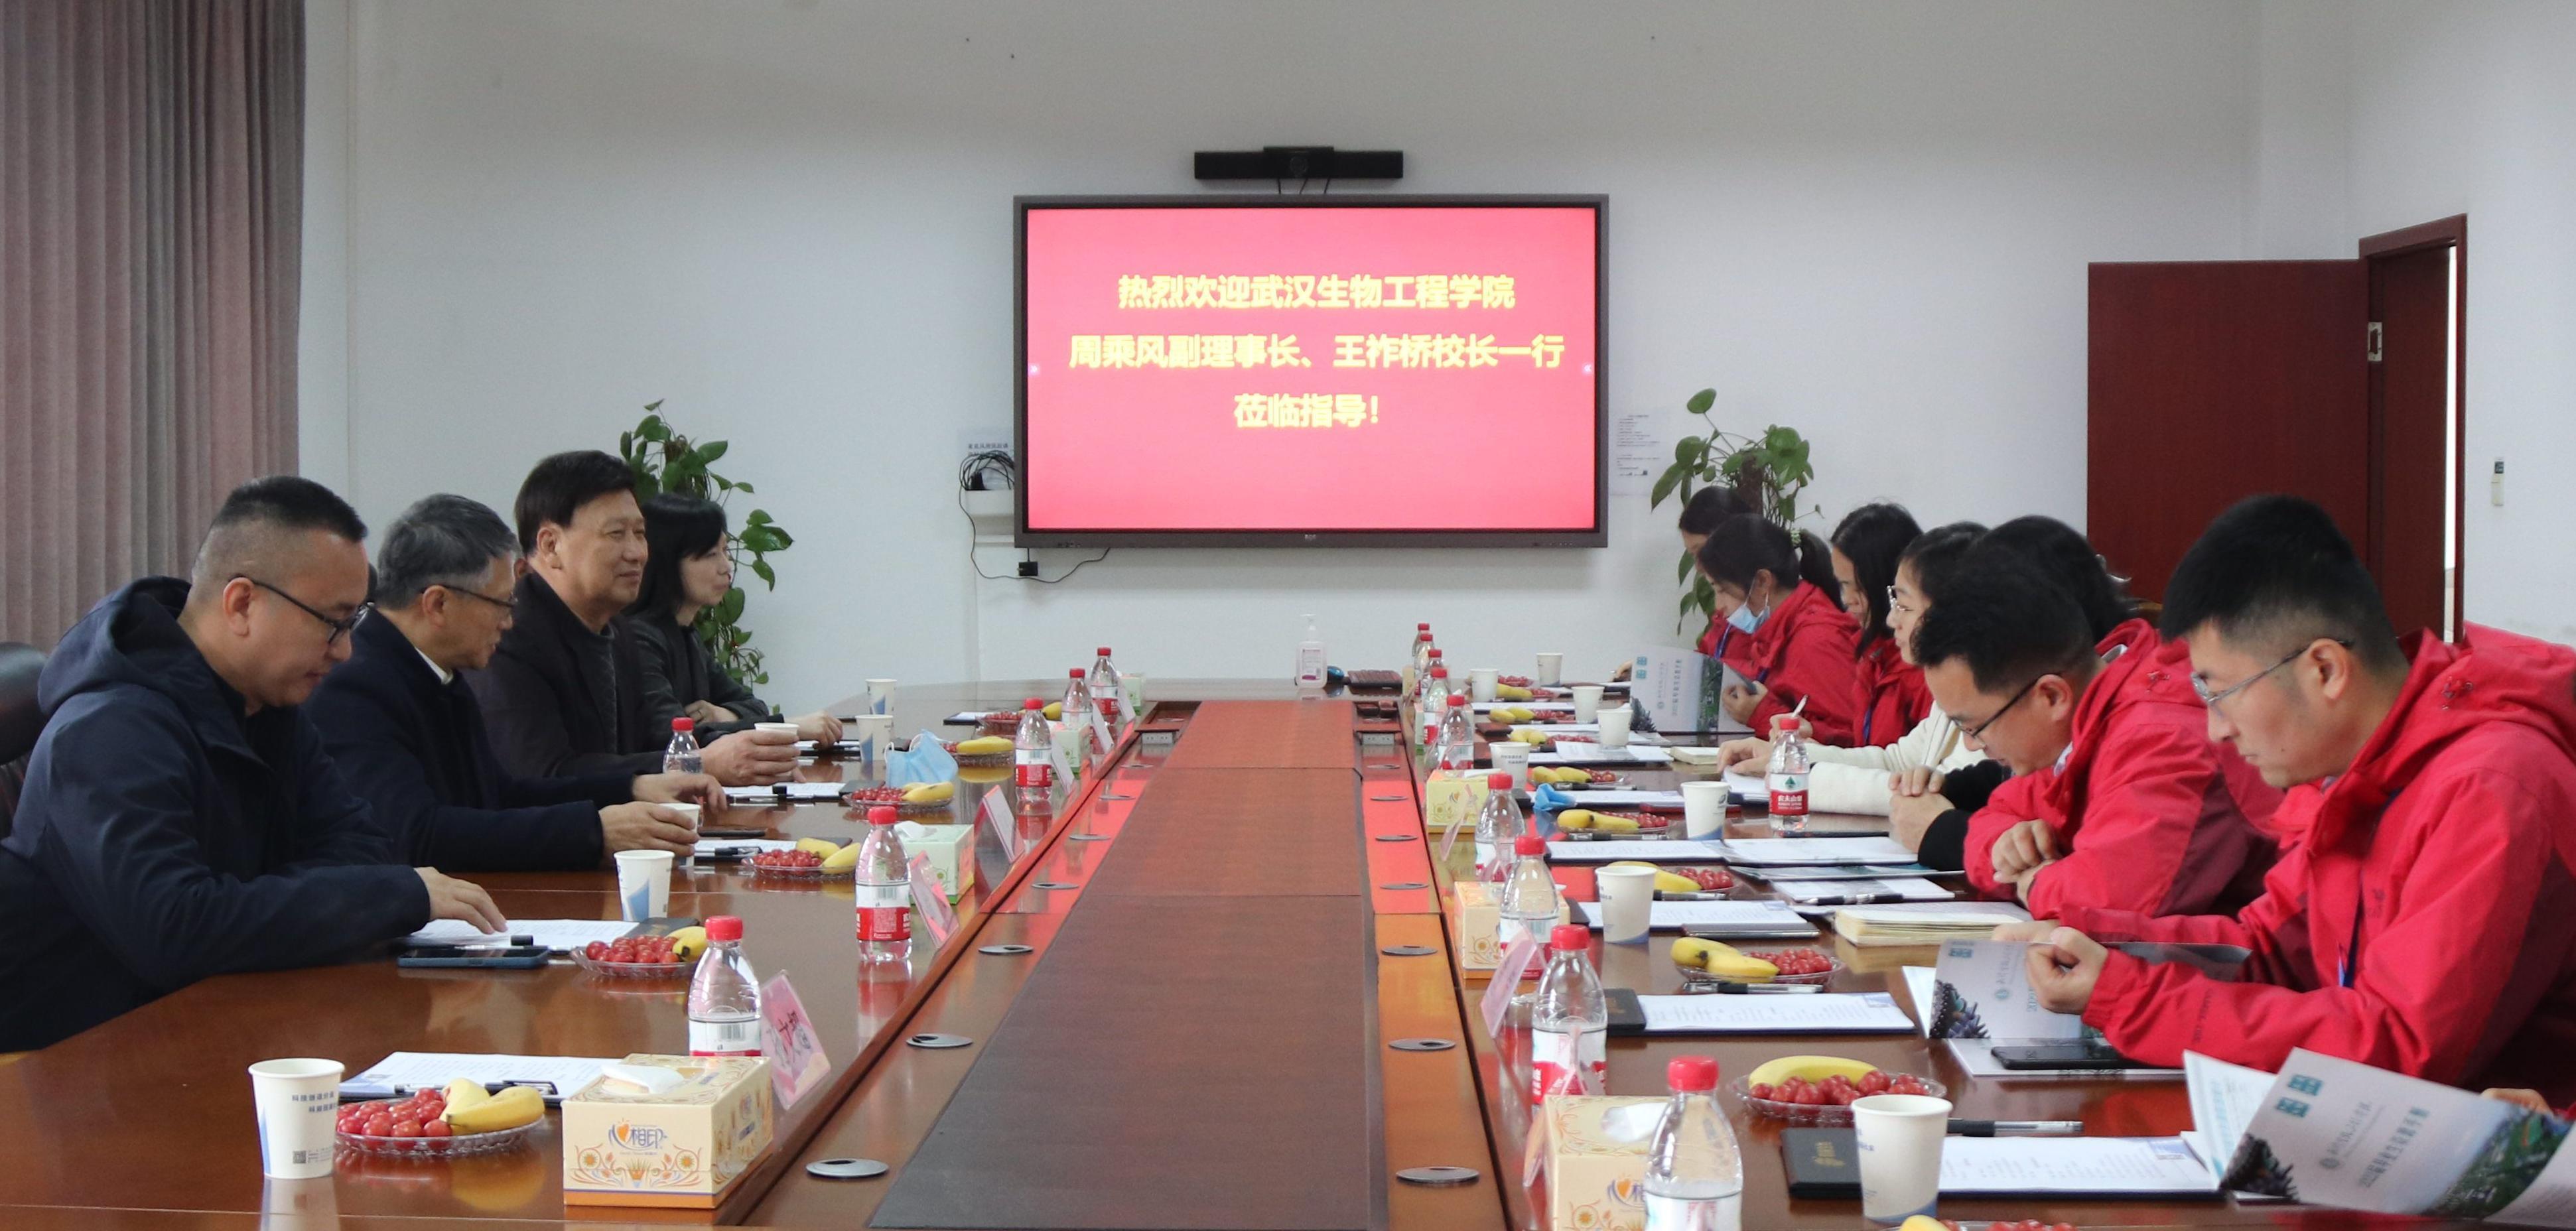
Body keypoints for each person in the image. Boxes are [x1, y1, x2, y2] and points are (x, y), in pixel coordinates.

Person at [2007, 495, 2576, 1100]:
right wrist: (2084, 937)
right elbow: (2267, 950)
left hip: (2471, 1137)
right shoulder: (2357, 768)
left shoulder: (2488, 786)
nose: (2216, 731)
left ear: (2323, 669)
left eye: (2220, 693)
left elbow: (2397, 1048)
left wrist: (2131, 999)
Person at [0, 478, 504, 1050]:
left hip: (220, 1022)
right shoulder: (108, 730)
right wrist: (387, 896)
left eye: (354, 623)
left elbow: (364, 847)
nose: (344, 651)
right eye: (332, 622)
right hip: (74, 1058)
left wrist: (242, 904)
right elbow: (175, 931)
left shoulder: (267, 705)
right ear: (242, 604)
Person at [307, 495, 725, 872]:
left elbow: (498, 795)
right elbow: (416, 834)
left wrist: (633, 787)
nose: (509, 621)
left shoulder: (439, 672)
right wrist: (594, 831)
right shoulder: (358, 687)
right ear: (438, 604)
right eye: (502, 604)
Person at [1913, 540, 2279, 919]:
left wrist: (2033, 883)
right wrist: (2004, 846)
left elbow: (2110, 904)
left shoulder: (2162, 741)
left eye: (1975, 727)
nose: (1972, 746)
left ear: (2050, 696)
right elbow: (2001, 809)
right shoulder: (2081, 721)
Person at [470, 451, 795, 787]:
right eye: (616, 534)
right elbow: (544, 776)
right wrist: (697, 764)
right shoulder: (508, 634)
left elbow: (654, 742)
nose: (637, 553)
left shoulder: (617, 630)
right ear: (551, 545)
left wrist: (754, 755)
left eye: (640, 533)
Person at [1716, 522, 1989, 822]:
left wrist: (1803, 778)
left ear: (1950, 612)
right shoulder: (1913, 673)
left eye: (1904, 606)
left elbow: (1939, 794)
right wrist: (1793, 756)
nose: (1892, 619)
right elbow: (1896, 760)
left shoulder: (1986, 694)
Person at [630, 493, 841, 745]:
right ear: (667, 561)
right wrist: (788, 727)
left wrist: (723, 714)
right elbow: (677, 740)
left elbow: (754, 705)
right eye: (710, 554)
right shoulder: (640, 639)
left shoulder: (687, 634)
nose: (726, 566)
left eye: (725, 551)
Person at [1697, 514, 1864, 745]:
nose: (1719, 606)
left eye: (1722, 590)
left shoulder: (1816, 640)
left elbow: (1853, 740)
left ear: (1763, 581)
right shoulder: (1777, 630)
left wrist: (1761, 715)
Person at [1829, 503, 1930, 747]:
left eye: (1858, 587)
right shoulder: (1874, 653)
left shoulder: (1924, 673)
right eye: (1842, 585)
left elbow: (1907, 763)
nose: (1847, 600)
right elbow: (1874, 752)